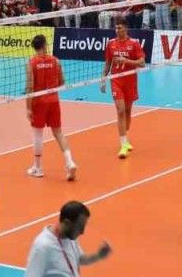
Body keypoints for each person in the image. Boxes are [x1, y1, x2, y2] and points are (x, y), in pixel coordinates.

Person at [25, 34, 76, 181]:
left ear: (34, 47)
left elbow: (30, 87)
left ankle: (38, 168)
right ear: (45, 45)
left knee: (37, 134)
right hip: (53, 100)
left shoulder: (31, 62)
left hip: (38, 102)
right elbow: (62, 82)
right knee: (58, 133)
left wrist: (28, 107)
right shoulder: (56, 60)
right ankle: (70, 162)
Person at [24, 201, 112, 277]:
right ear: (67, 223)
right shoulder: (42, 246)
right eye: (79, 226)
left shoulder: (70, 238)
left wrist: (98, 255)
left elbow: (80, 259)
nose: (82, 232)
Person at [100, 20, 145, 158]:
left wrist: (126, 61)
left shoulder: (134, 44)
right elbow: (108, 62)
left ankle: (125, 138)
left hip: (130, 81)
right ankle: (123, 144)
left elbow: (142, 63)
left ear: (125, 28)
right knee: (120, 111)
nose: (117, 30)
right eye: (116, 28)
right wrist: (103, 79)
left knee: (127, 111)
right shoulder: (111, 43)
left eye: (119, 28)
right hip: (116, 81)